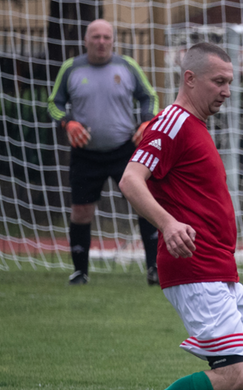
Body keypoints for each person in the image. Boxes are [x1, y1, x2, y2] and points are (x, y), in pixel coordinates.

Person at [95, 42, 243, 390]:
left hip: (220, 268)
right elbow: (130, 180)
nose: (226, 91)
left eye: (230, 82)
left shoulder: (194, 126)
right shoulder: (172, 122)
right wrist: (167, 222)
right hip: (195, 269)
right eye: (219, 81)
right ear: (190, 79)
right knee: (233, 374)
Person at [47, 19, 160, 286]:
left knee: (146, 206)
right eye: (96, 37)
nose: (101, 42)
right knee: (81, 211)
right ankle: (80, 272)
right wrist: (68, 122)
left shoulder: (127, 66)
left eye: (106, 37)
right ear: (86, 41)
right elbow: (54, 103)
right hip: (85, 153)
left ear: (113, 41)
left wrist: (146, 121)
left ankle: (154, 268)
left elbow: (150, 97)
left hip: (125, 151)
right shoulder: (71, 68)